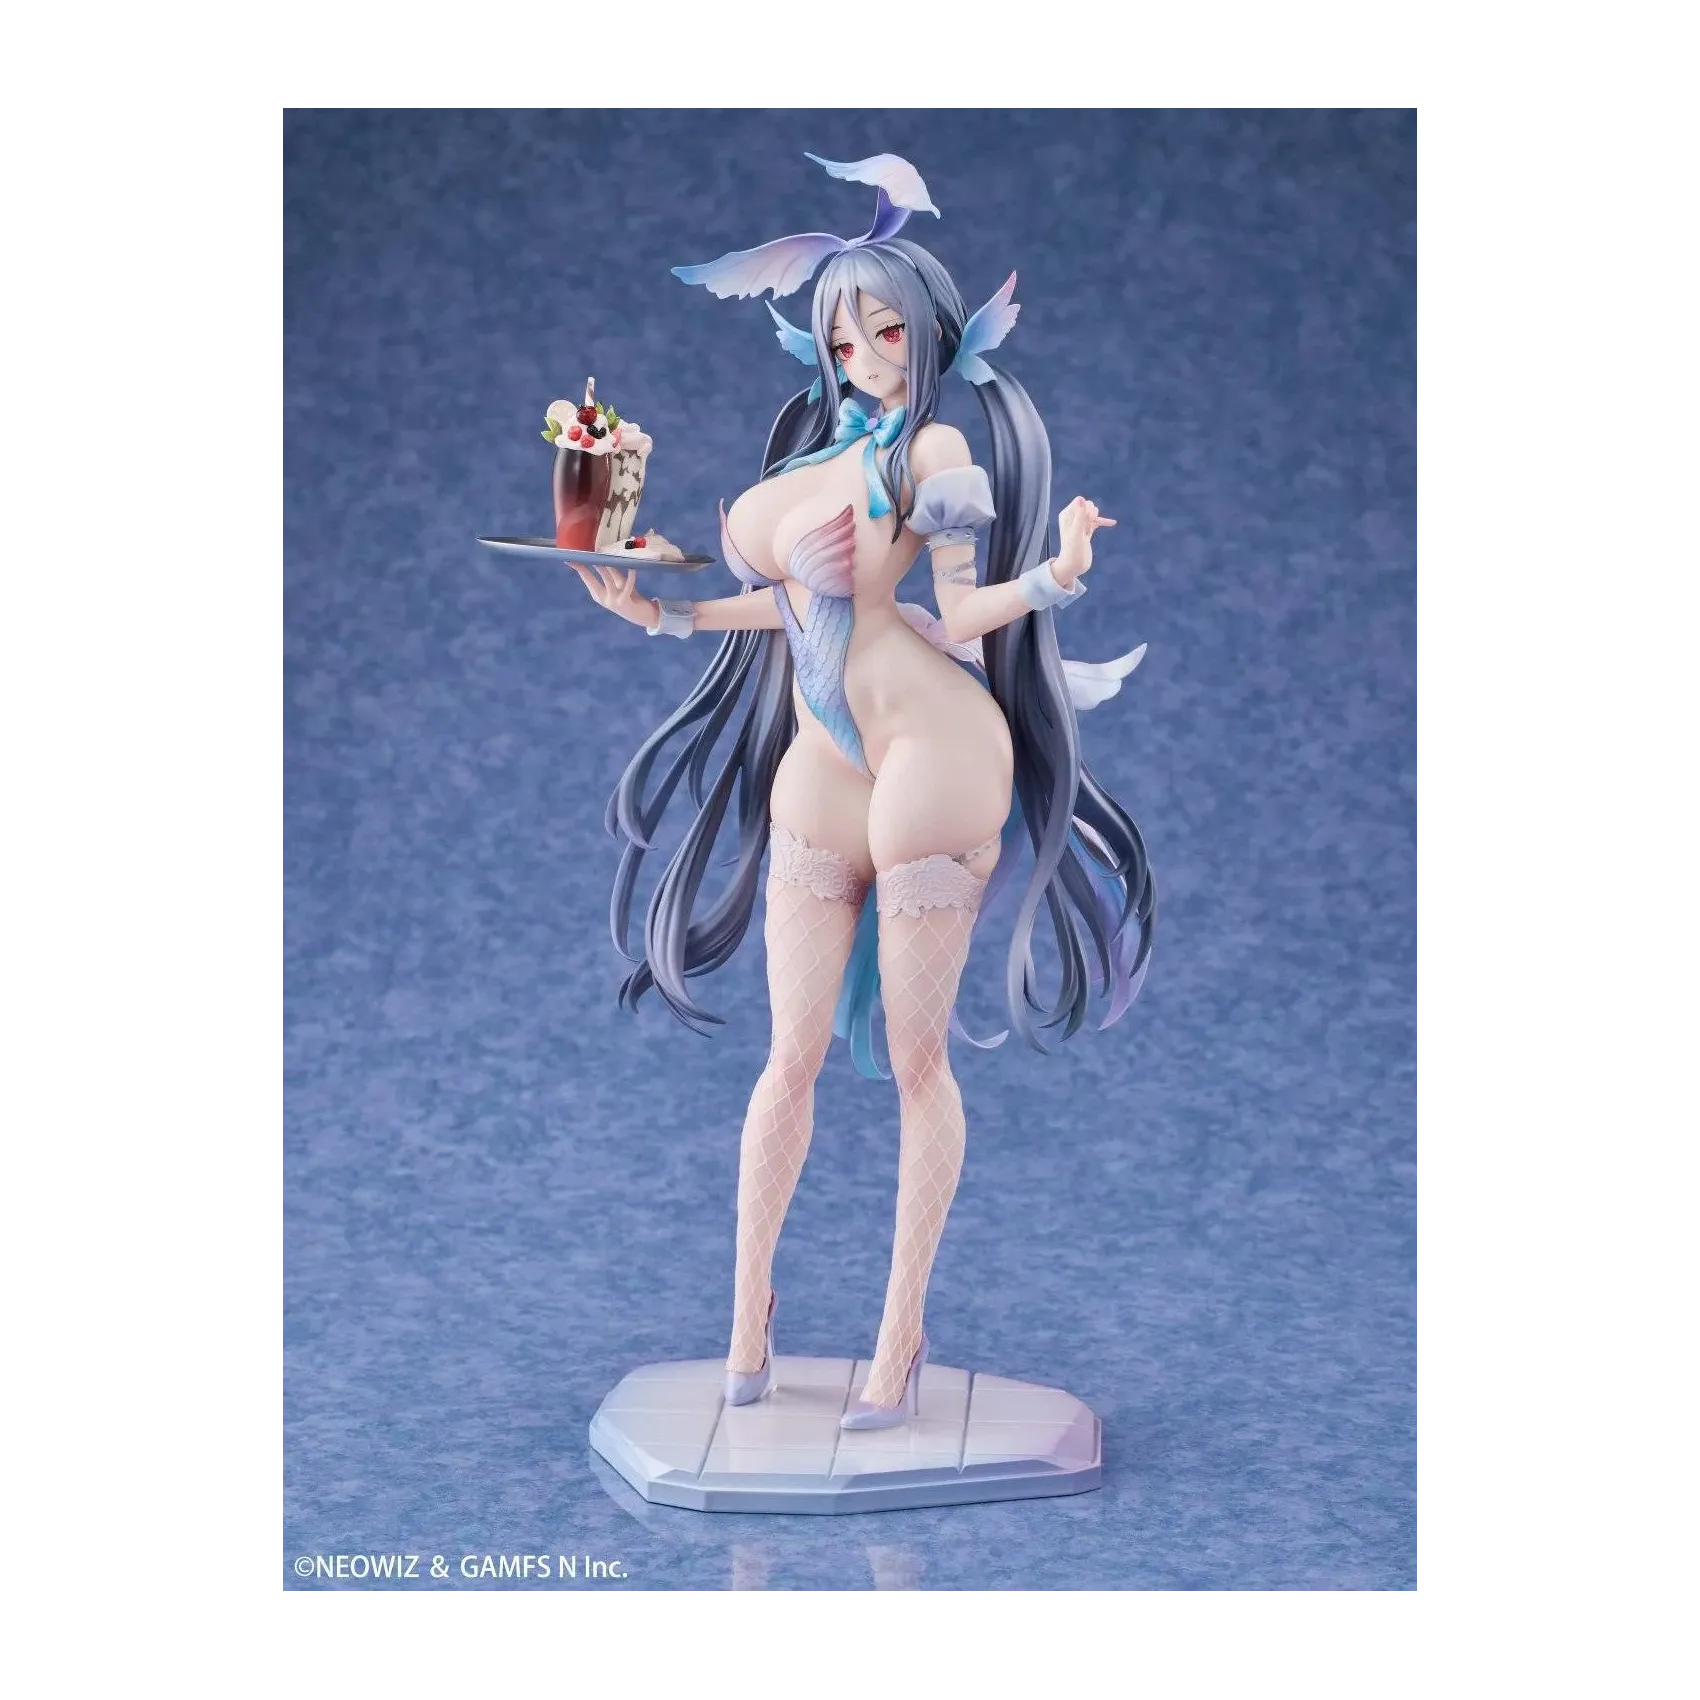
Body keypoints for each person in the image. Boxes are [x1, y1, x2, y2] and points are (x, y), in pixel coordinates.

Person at [571, 153, 1154, 1428]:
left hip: (932, 746)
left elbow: (955, 613)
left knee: (912, 1059)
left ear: (928, 330)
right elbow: (789, 607)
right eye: (843, 336)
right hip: (827, 756)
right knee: (785, 1056)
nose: (864, 354)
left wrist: (1053, 577)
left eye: (885, 330)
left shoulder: (933, 447)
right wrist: (661, 614)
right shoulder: (821, 446)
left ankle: (900, 1334)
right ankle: (747, 1319)